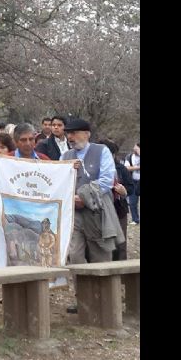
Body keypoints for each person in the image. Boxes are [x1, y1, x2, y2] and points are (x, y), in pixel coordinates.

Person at [60, 118, 123, 313]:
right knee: (75, 255)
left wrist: (84, 196)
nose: (70, 137)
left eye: (74, 133)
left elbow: (106, 180)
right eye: (68, 133)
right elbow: (59, 180)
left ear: (86, 134)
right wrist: (71, 195)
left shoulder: (101, 151)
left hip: (97, 211)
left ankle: (105, 300)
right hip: (74, 212)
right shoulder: (65, 155)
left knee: (100, 255)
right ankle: (84, 300)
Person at [124, 143, 140, 225]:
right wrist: (137, 167)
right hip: (133, 181)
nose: (134, 149)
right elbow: (127, 168)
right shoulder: (129, 157)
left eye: (136, 148)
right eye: (134, 148)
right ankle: (135, 219)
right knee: (132, 202)